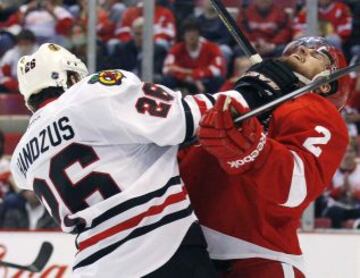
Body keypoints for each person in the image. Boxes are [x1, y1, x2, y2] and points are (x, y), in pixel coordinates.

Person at [10, 42, 250, 277]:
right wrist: (250, 92)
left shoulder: (21, 159)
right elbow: (184, 119)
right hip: (161, 250)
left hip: (93, 268)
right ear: (70, 78)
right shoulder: (92, 94)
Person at [179, 36, 350, 277]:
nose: (301, 49)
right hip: (185, 247)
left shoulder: (316, 109)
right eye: (299, 47)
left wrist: (253, 150)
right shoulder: (245, 94)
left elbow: (295, 186)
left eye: (316, 55)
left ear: (325, 85)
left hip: (257, 257)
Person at [162, 18, 225, 94]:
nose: (191, 35)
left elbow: (218, 70)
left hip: (204, 81)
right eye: (188, 32)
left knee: (218, 79)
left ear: (199, 33)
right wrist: (192, 79)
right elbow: (167, 69)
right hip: (185, 81)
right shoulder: (176, 49)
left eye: (194, 31)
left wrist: (192, 74)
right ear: (183, 35)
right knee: (168, 79)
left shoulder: (212, 47)